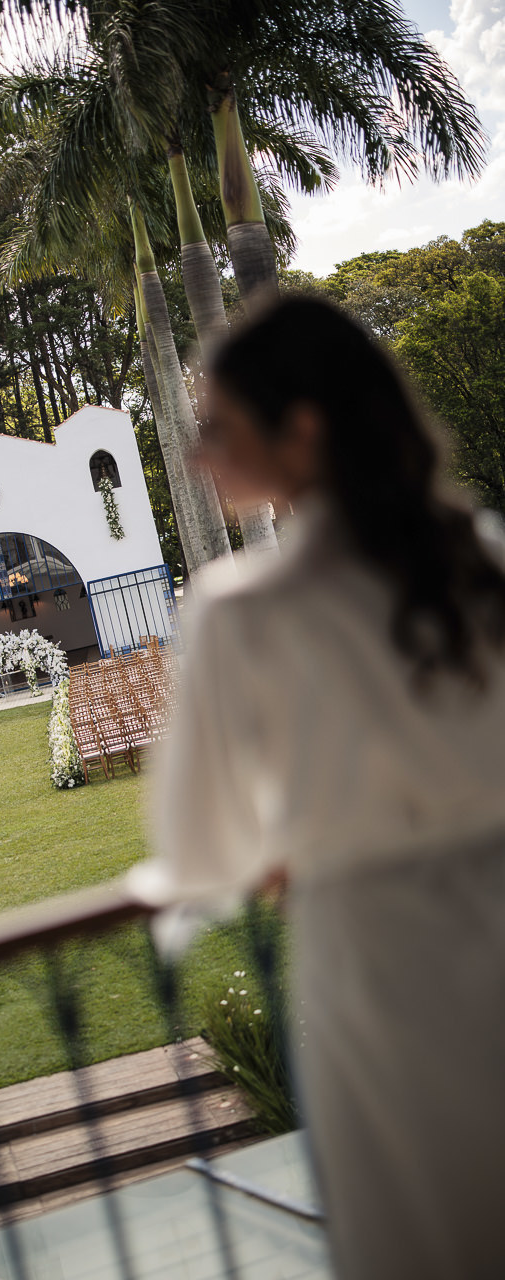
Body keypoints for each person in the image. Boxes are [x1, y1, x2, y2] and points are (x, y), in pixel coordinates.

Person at [130, 296, 505, 1279]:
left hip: (381, 962)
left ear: (302, 429)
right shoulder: (489, 562)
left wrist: (283, 844)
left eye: (217, 425)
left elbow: (202, 844)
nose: (199, 453)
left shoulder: (241, 611)